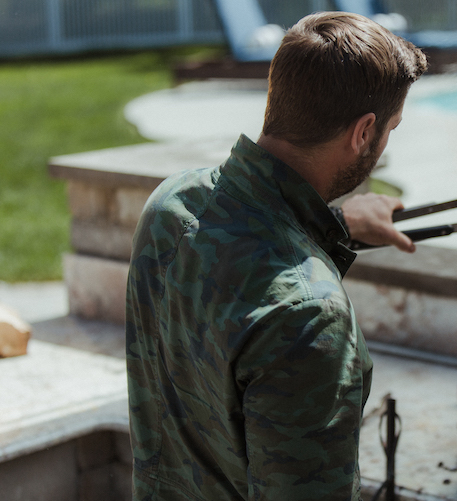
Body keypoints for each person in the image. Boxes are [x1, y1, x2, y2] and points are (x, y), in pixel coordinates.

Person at [126, 11, 427, 501]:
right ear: (363, 131)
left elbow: (239, 249)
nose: (385, 141)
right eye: (390, 129)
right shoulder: (310, 318)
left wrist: (337, 225)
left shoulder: (170, 206)